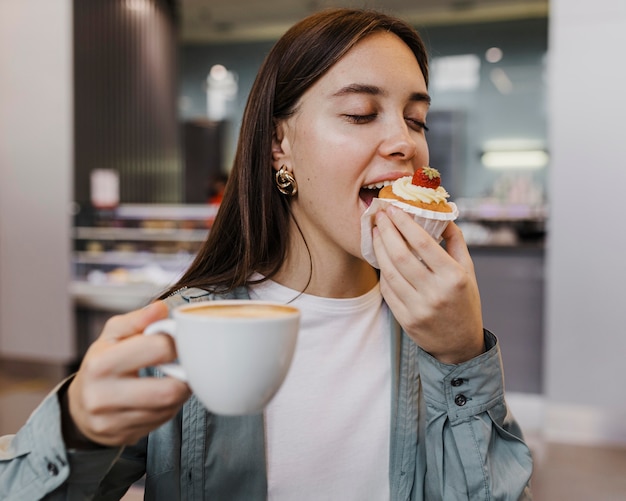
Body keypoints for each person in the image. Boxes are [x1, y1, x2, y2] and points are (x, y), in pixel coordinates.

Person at [0, 8, 533, 500]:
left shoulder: (440, 335)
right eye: (360, 113)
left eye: (415, 119)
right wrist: (76, 430)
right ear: (280, 143)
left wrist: (463, 358)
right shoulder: (182, 334)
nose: (405, 142)